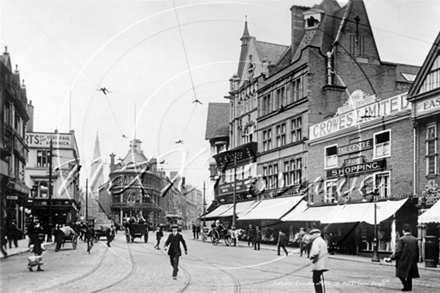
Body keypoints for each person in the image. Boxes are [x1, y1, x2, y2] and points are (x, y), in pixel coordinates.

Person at [387, 224, 420, 292]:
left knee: (400, 274)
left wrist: (391, 258)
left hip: (403, 260)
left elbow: (398, 251)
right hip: (412, 260)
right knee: (409, 274)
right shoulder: (415, 239)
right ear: (410, 231)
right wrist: (416, 259)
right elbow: (417, 251)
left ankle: (406, 285)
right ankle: (409, 287)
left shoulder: (402, 239)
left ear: (403, 231)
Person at [309, 229, 329, 293]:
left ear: (315, 234)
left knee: (316, 280)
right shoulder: (322, 241)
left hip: (318, 264)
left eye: (312, 234)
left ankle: (319, 292)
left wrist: (311, 256)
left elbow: (316, 252)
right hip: (323, 263)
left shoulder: (316, 241)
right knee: (318, 279)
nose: (311, 236)